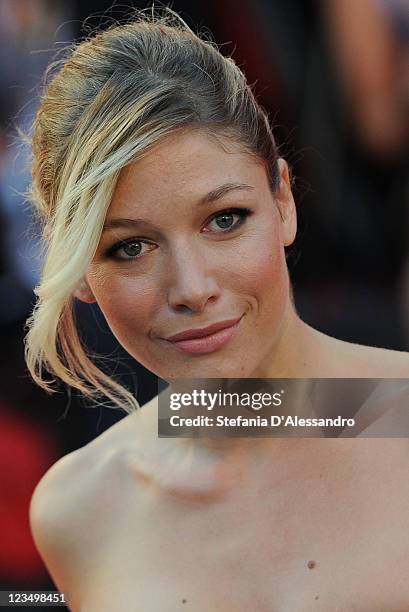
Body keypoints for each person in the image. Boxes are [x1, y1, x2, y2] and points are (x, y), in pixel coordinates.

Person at [26, 11, 409, 611]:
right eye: (131, 247)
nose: (192, 287)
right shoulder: (78, 508)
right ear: (78, 272)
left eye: (224, 220)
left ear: (282, 200)